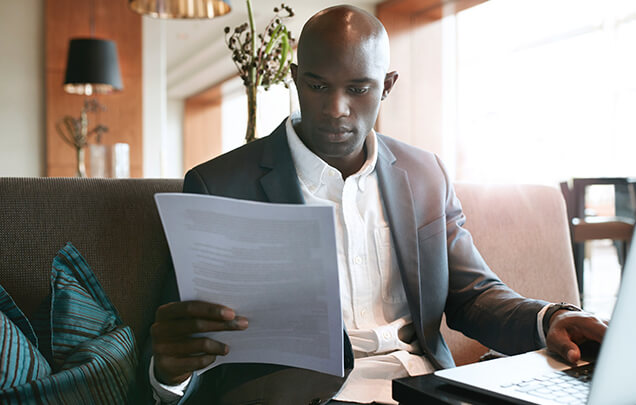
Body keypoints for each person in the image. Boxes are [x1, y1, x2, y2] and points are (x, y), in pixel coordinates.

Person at [147, 5, 607, 405]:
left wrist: (551, 318)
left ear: (386, 86)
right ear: (295, 80)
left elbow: (473, 296)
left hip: (426, 389)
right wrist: (170, 371)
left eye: (359, 89)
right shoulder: (219, 183)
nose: (337, 109)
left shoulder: (426, 173)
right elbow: (181, 341)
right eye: (318, 86)